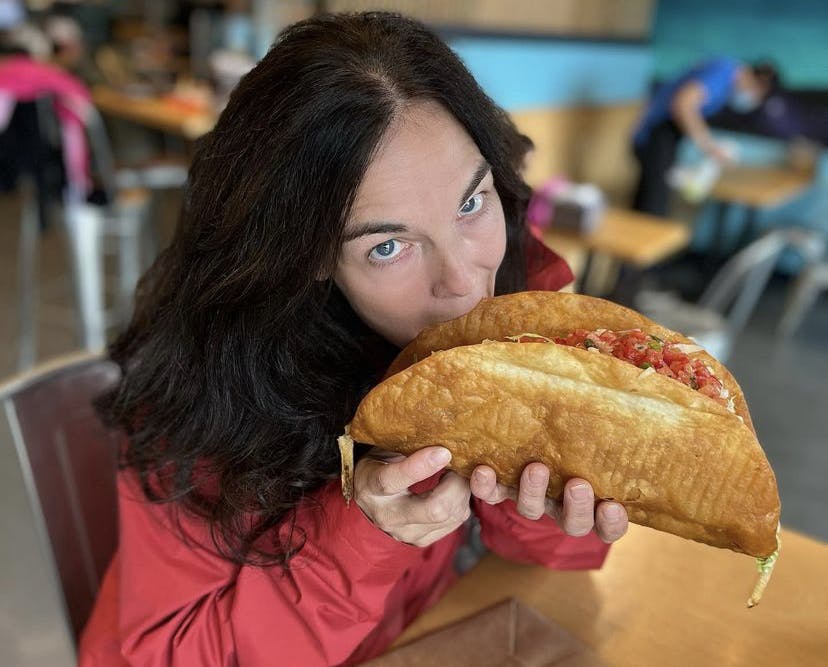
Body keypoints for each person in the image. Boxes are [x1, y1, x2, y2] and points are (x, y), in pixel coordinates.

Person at [79, 12, 629, 666]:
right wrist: (362, 532)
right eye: (389, 245)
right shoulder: (214, 392)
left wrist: (538, 497)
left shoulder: (515, 286)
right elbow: (169, 656)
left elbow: (552, 554)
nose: (463, 280)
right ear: (307, 254)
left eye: (470, 202)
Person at [631, 58, 779, 216]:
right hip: (657, 134)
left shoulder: (726, 79)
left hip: (665, 136)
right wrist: (709, 147)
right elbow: (683, 104)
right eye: (758, 94)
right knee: (653, 206)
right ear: (760, 85)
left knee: (650, 199)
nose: (752, 98)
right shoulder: (723, 72)